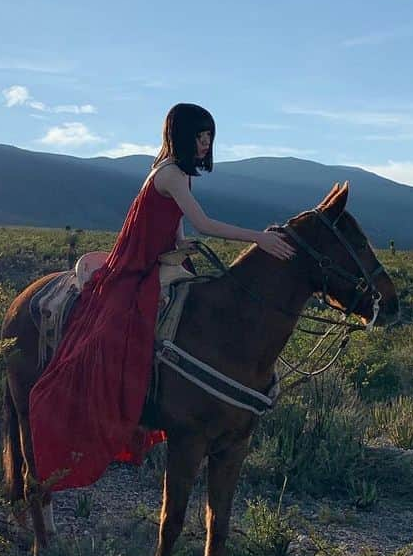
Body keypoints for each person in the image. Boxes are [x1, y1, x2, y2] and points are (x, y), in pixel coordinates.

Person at [28, 103, 294, 491]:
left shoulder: (178, 175)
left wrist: (182, 247)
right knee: (122, 325)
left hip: (160, 261)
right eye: (199, 136)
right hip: (137, 267)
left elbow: (180, 230)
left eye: (209, 137)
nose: (205, 144)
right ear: (182, 135)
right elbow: (203, 223)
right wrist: (261, 239)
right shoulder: (170, 173)